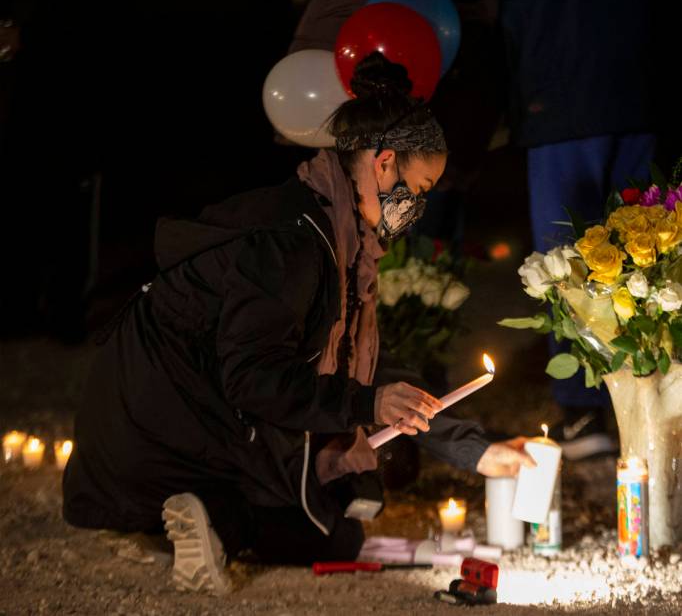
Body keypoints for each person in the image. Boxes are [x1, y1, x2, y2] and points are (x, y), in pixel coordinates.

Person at [62, 53, 532, 595]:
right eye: (420, 189)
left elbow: (361, 367)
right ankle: (209, 513)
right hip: (156, 435)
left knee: (344, 508)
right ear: (383, 163)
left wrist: (467, 445)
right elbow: (252, 378)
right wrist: (364, 404)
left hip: (189, 415)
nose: (418, 207)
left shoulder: (332, 227)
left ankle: (210, 513)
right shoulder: (293, 245)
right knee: (328, 537)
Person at [319, 0, 661, 459]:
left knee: (568, 258)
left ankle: (585, 409)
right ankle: (648, 402)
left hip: (565, 87)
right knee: (640, 249)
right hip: (640, 82)